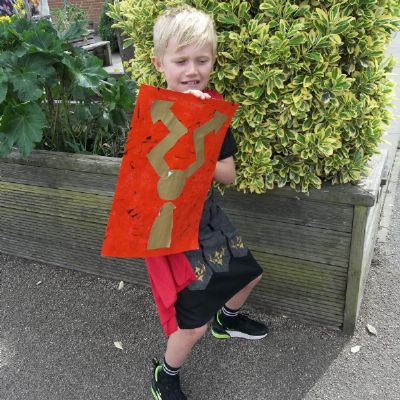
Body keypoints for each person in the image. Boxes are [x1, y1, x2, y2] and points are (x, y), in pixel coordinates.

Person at [148, 6, 268, 400]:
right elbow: (148, 183)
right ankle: (165, 375)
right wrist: (184, 124)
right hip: (172, 232)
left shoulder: (214, 110)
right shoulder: (152, 113)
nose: (191, 70)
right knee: (191, 326)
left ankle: (227, 320)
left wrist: (203, 126)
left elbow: (227, 174)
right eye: (180, 61)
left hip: (208, 219)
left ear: (213, 61)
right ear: (160, 63)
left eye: (202, 60)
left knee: (249, 276)